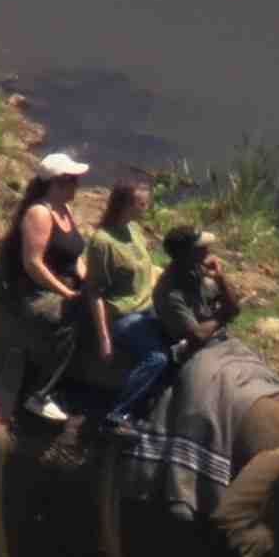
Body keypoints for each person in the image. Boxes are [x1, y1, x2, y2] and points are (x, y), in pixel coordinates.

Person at [0, 151, 93, 422]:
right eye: (72, 180)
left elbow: (76, 256)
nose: (77, 186)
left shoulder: (64, 211)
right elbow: (33, 264)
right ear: (56, 182)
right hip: (37, 292)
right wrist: (67, 293)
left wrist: (89, 283)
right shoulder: (39, 213)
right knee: (70, 321)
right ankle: (39, 393)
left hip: (64, 285)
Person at [85, 180, 173, 436]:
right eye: (141, 203)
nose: (147, 207)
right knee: (157, 358)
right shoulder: (103, 242)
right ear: (124, 204)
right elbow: (94, 292)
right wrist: (104, 338)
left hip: (147, 308)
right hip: (123, 315)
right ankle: (117, 414)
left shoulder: (134, 229)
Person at [152, 225, 240, 363]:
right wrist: (223, 316)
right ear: (186, 254)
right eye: (201, 247)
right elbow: (196, 336)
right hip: (194, 354)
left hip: (219, 340)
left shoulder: (196, 269)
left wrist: (221, 278)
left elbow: (234, 305)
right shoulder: (169, 294)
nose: (207, 250)